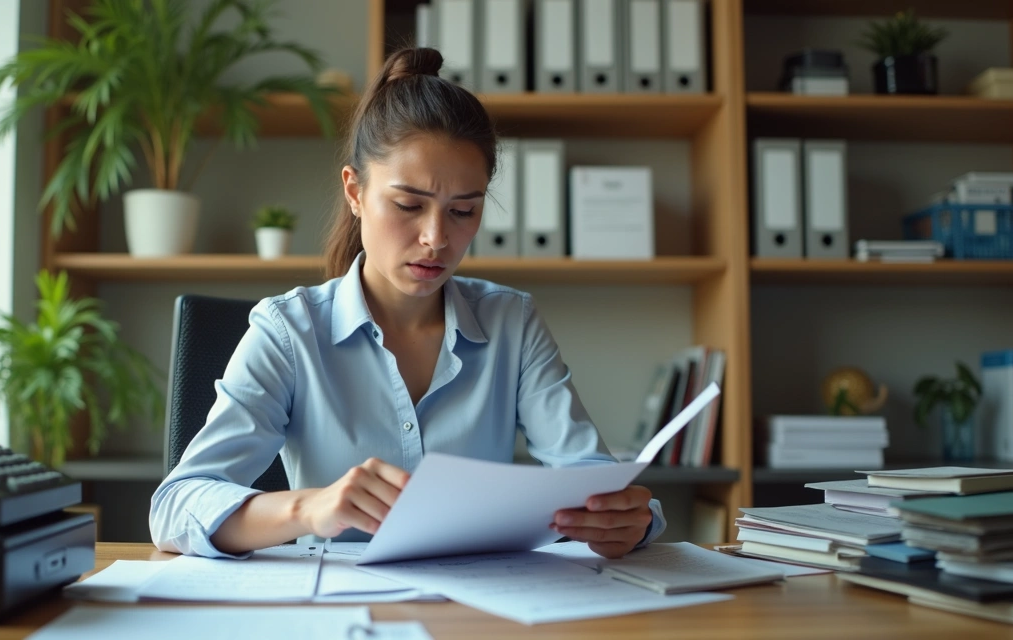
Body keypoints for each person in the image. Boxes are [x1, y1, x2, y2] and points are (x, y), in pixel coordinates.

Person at [149, 47, 666, 559]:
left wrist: (628, 520)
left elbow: (588, 478)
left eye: (463, 210)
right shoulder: (289, 330)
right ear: (355, 192)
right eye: (408, 205)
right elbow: (175, 506)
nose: (436, 238)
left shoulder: (513, 322)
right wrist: (311, 509)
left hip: (479, 611)